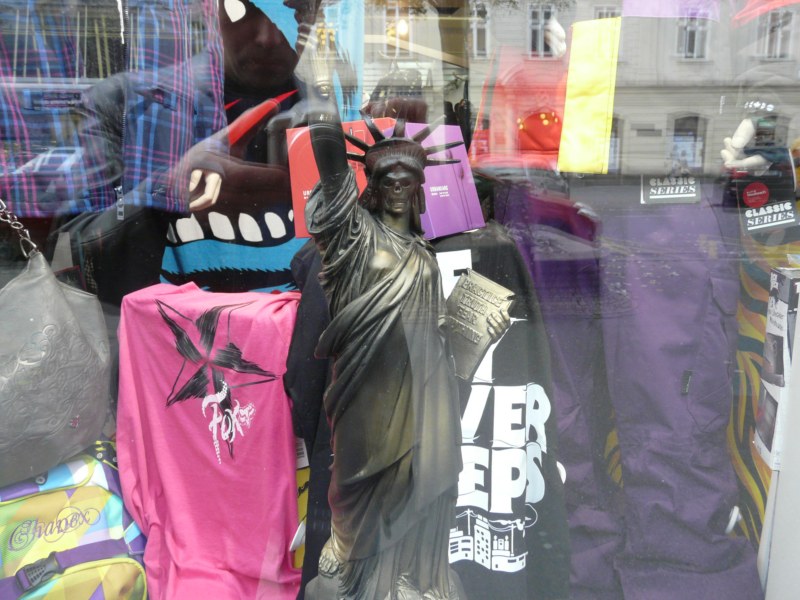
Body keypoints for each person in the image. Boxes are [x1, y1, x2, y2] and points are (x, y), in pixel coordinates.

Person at [298, 49, 509, 599]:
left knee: (427, 485)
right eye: (387, 176)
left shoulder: (422, 250)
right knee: (362, 487)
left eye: (407, 178)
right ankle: (359, 574)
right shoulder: (353, 238)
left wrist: (472, 334)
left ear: (418, 187)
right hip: (368, 394)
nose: (397, 185)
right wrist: (321, 91)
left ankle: (414, 578)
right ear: (372, 182)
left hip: (426, 392)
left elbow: (433, 327)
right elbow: (329, 161)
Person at [52, 0, 322, 303]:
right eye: (243, 9)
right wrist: (167, 193)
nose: (267, 38)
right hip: (155, 330)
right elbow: (67, 252)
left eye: (286, 14)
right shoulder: (122, 105)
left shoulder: (334, 112)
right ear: (209, 9)